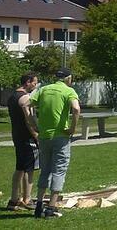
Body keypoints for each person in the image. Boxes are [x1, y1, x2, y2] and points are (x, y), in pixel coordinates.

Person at [30, 68, 81, 219]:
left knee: (45, 170)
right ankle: (51, 208)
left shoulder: (44, 89)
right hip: (60, 136)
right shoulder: (68, 91)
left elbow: (27, 105)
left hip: (44, 136)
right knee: (59, 170)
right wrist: (72, 128)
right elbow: (76, 109)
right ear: (68, 78)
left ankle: (38, 206)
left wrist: (34, 124)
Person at [7, 72, 39, 211]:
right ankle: (27, 199)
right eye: (34, 82)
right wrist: (36, 135)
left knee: (20, 168)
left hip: (17, 136)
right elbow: (29, 120)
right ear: (27, 82)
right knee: (29, 169)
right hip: (27, 138)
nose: (35, 85)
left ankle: (14, 200)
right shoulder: (25, 98)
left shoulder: (12, 96)